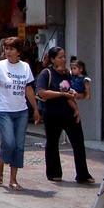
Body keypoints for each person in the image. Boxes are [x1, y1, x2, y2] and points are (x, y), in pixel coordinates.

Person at [0, 37, 41, 190]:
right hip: (4, 110)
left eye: (11, 49)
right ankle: (0, 163)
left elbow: (29, 89)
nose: (8, 52)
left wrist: (36, 109)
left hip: (22, 111)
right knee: (9, 142)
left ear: (19, 52)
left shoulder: (25, 67)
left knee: (18, 145)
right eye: (6, 49)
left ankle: (13, 179)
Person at [37, 46, 95, 183]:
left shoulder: (69, 74)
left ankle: (83, 174)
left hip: (69, 112)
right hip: (52, 113)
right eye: (60, 57)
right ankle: (54, 173)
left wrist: (78, 99)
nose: (63, 60)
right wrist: (62, 94)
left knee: (78, 143)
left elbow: (75, 92)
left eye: (64, 57)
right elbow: (42, 92)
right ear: (52, 59)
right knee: (52, 143)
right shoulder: (47, 73)